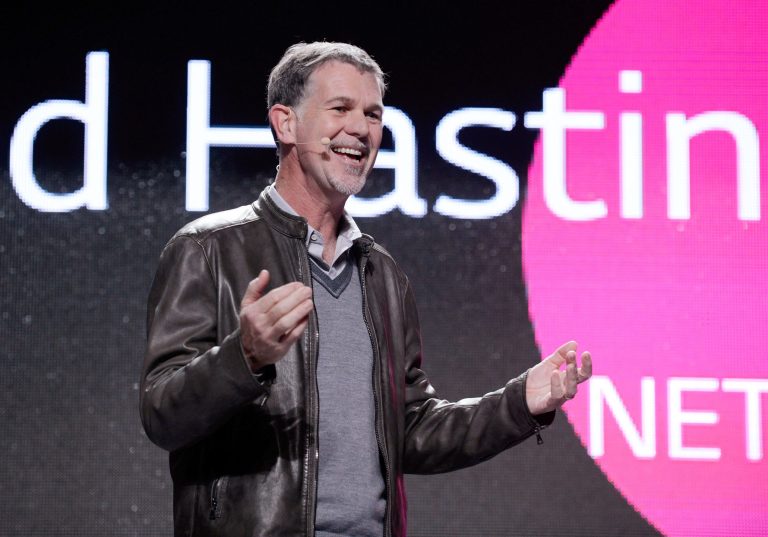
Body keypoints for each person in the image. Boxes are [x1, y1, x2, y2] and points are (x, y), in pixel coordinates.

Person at [140, 41, 592, 537]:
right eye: (340, 108)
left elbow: (411, 432)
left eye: (373, 114)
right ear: (285, 123)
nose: (360, 128)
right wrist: (242, 357)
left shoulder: (382, 275)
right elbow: (163, 415)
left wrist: (519, 402)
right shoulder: (208, 250)